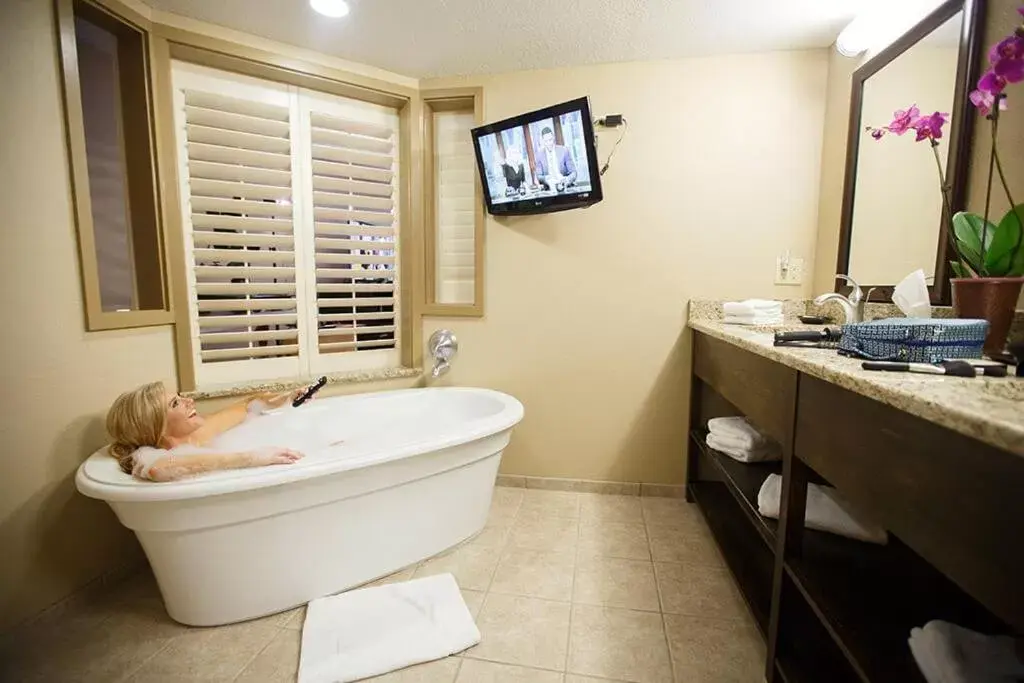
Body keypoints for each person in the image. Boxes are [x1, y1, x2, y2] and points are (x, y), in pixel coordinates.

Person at [106, 381, 308, 482]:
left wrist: (285, 398)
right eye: (176, 403)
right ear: (157, 427)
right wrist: (252, 458)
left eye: (180, 396)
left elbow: (249, 404)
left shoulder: (201, 434)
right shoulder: (149, 456)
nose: (189, 401)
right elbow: (158, 470)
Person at [534, 126, 577, 191]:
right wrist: (546, 179)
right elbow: (539, 176)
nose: (549, 143)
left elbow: (574, 173)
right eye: (546, 141)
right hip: (549, 190)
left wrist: (567, 180)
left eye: (550, 139)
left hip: (565, 187)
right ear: (543, 141)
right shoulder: (539, 155)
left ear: (553, 137)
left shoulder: (564, 150)